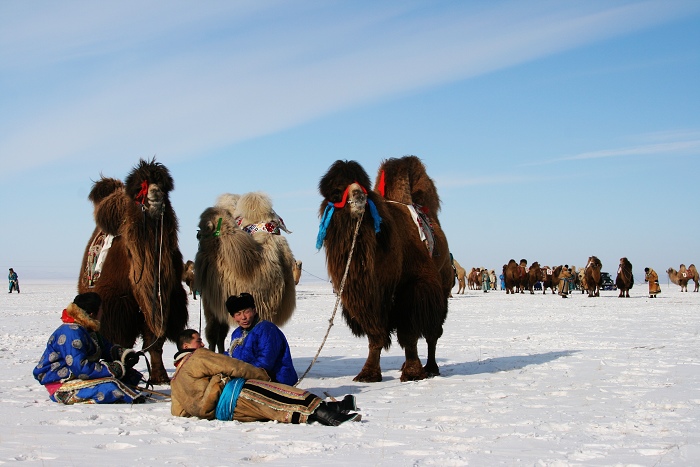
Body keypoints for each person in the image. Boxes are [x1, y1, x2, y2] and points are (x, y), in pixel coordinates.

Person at [171, 329, 360, 426]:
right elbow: (232, 366)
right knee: (281, 395)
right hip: (233, 394)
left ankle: (336, 407)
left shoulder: (175, 381)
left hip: (226, 414)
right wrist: (261, 376)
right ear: (186, 346)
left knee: (275, 412)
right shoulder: (198, 356)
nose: (203, 344)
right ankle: (330, 416)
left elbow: (178, 412)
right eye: (198, 340)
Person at [33, 292, 143, 404]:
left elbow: (105, 348)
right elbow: (81, 368)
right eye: (101, 309)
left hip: (78, 375)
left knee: (131, 376)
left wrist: (124, 355)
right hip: (62, 382)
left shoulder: (87, 329)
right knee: (111, 388)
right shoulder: (71, 333)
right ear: (92, 314)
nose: (103, 312)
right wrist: (114, 369)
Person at [224, 293, 298, 386]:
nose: (243, 317)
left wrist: (240, 371)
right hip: (247, 377)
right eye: (238, 314)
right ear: (234, 317)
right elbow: (232, 355)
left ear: (254, 311)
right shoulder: (237, 333)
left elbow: (265, 362)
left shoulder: (267, 330)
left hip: (275, 381)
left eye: (246, 312)